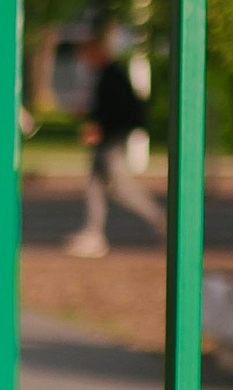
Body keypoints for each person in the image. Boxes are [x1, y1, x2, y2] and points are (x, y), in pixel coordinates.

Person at [65, 28, 163, 258]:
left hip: (111, 141)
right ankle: (93, 233)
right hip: (109, 138)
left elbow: (116, 110)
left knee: (121, 187)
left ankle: (161, 221)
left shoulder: (111, 76)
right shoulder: (108, 75)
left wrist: (100, 127)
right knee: (94, 186)